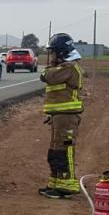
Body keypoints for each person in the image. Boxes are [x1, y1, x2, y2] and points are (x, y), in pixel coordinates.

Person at [37, 33, 84, 198]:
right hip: (60, 116)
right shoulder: (63, 67)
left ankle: (67, 185)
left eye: (54, 52)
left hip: (67, 117)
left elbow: (48, 76)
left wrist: (47, 70)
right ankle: (55, 183)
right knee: (55, 151)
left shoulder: (69, 67)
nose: (52, 56)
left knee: (65, 150)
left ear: (62, 52)